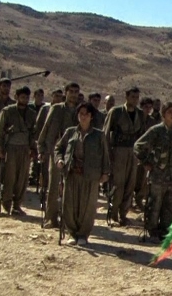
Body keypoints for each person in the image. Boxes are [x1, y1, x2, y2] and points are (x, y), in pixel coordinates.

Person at [54, 103, 110, 245]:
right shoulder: (70, 132)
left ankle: (83, 235)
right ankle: (72, 233)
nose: (83, 117)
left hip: (91, 175)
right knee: (69, 205)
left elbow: (105, 154)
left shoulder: (99, 135)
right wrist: (59, 160)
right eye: (81, 114)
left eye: (86, 114)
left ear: (91, 116)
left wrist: (105, 172)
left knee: (88, 206)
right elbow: (59, 148)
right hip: (72, 173)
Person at [133, 102, 172, 240]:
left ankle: (165, 231)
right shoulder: (156, 131)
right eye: (169, 112)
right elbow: (138, 146)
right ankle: (152, 231)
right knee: (154, 204)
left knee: (170, 206)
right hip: (158, 175)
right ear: (163, 114)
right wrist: (146, 162)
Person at [38, 82, 80, 228]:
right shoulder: (56, 109)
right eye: (71, 91)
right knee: (54, 185)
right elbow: (46, 128)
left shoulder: (81, 111)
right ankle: (51, 217)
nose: (73, 94)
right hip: (57, 151)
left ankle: (69, 219)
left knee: (71, 187)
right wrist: (41, 148)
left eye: (76, 92)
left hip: (74, 152)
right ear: (66, 93)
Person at [103, 86, 145, 226]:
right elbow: (106, 134)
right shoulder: (116, 112)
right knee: (118, 184)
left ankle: (123, 214)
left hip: (133, 152)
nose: (135, 100)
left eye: (137, 97)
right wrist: (108, 154)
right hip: (118, 150)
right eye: (133, 97)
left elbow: (142, 135)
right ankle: (113, 214)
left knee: (130, 185)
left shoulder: (140, 114)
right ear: (126, 97)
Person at [0, 86, 37, 215]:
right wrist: (0, 148)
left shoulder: (31, 114)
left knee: (22, 178)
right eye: (22, 97)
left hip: (25, 148)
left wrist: (33, 148)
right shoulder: (8, 111)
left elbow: (33, 133)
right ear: (17, 97)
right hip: (11, 147)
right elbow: (0, 130)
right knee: (10, 177)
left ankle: (17, 205)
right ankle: (6, 204)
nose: (24, 100)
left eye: (27, 97)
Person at [0, 78, 15, 196]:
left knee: (5, 166)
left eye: (8, 86)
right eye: (4, 86)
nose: (6, 88)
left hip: (7, 139)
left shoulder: (12, 104)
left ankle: (1, 188)